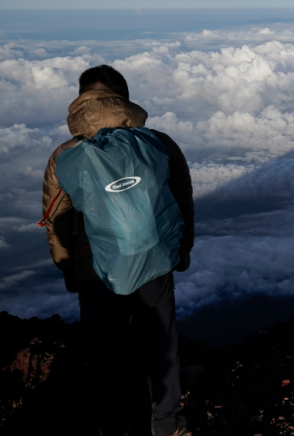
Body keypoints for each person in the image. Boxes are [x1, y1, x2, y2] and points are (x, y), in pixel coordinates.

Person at [40, 65, 194, 436]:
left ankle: (114, 429)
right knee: (161, 350)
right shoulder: (157, 142)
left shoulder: (65, 155)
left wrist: (67, 268)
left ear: (79, 99)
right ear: (123, 98)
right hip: (155, 264)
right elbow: (181, 201)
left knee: (103, 358)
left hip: (94, 269)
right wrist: (182, 251)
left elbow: (55, 219)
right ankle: (166, 424)